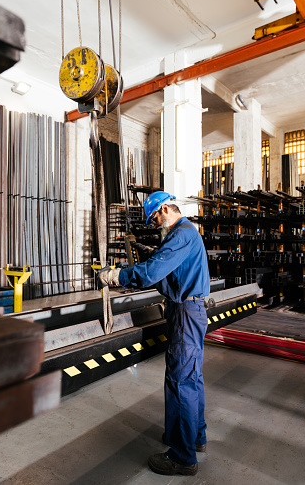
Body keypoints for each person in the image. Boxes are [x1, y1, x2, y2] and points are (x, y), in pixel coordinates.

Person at [98, 190, 210, 476]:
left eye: (156, 216)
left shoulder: (180, 235)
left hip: (185, 313)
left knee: (179, 380)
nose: (155, 222)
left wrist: (116, 276)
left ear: (165, 209)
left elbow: (150, 274)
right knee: (192, 377)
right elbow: (166, 269)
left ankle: (182, 457)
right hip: (190, 310)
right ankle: (194, 437)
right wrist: (153, 258)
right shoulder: (185, 234)